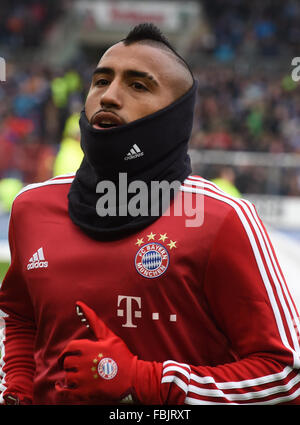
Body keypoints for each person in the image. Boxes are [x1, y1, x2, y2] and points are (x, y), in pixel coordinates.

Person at [0, 23, 300, 406]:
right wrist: (19, 390)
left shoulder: (222, 219)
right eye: (100, 81)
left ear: (174, 114)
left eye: (138, 85)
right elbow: (21, 319)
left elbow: (286, 376)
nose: (108, 96)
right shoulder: (31, 209)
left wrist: (145, 381)